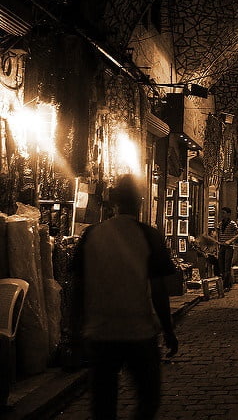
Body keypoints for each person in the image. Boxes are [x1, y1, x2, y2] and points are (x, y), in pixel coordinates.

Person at [71, 174, 178, 420]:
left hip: (100, 333)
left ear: (114, 203)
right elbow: (160, 290)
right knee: (149, 398)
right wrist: (168, 330)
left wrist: (76, 332)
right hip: (138, 332)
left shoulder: (92, 235)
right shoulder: (149, 236)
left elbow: (79, 287)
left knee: (103, 404)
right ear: (140, 203)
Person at [217, 206, 238, 291]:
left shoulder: (232, 223)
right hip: (221, 247)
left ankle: (226, 285)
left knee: (227, 265)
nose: (222, 215)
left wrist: (230, 241)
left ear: (228, 214)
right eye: (221, 213)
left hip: (229, 247)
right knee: (221, 265)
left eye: (224, 213)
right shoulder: (220, 224)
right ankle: (225, 282)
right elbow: (218, 234)